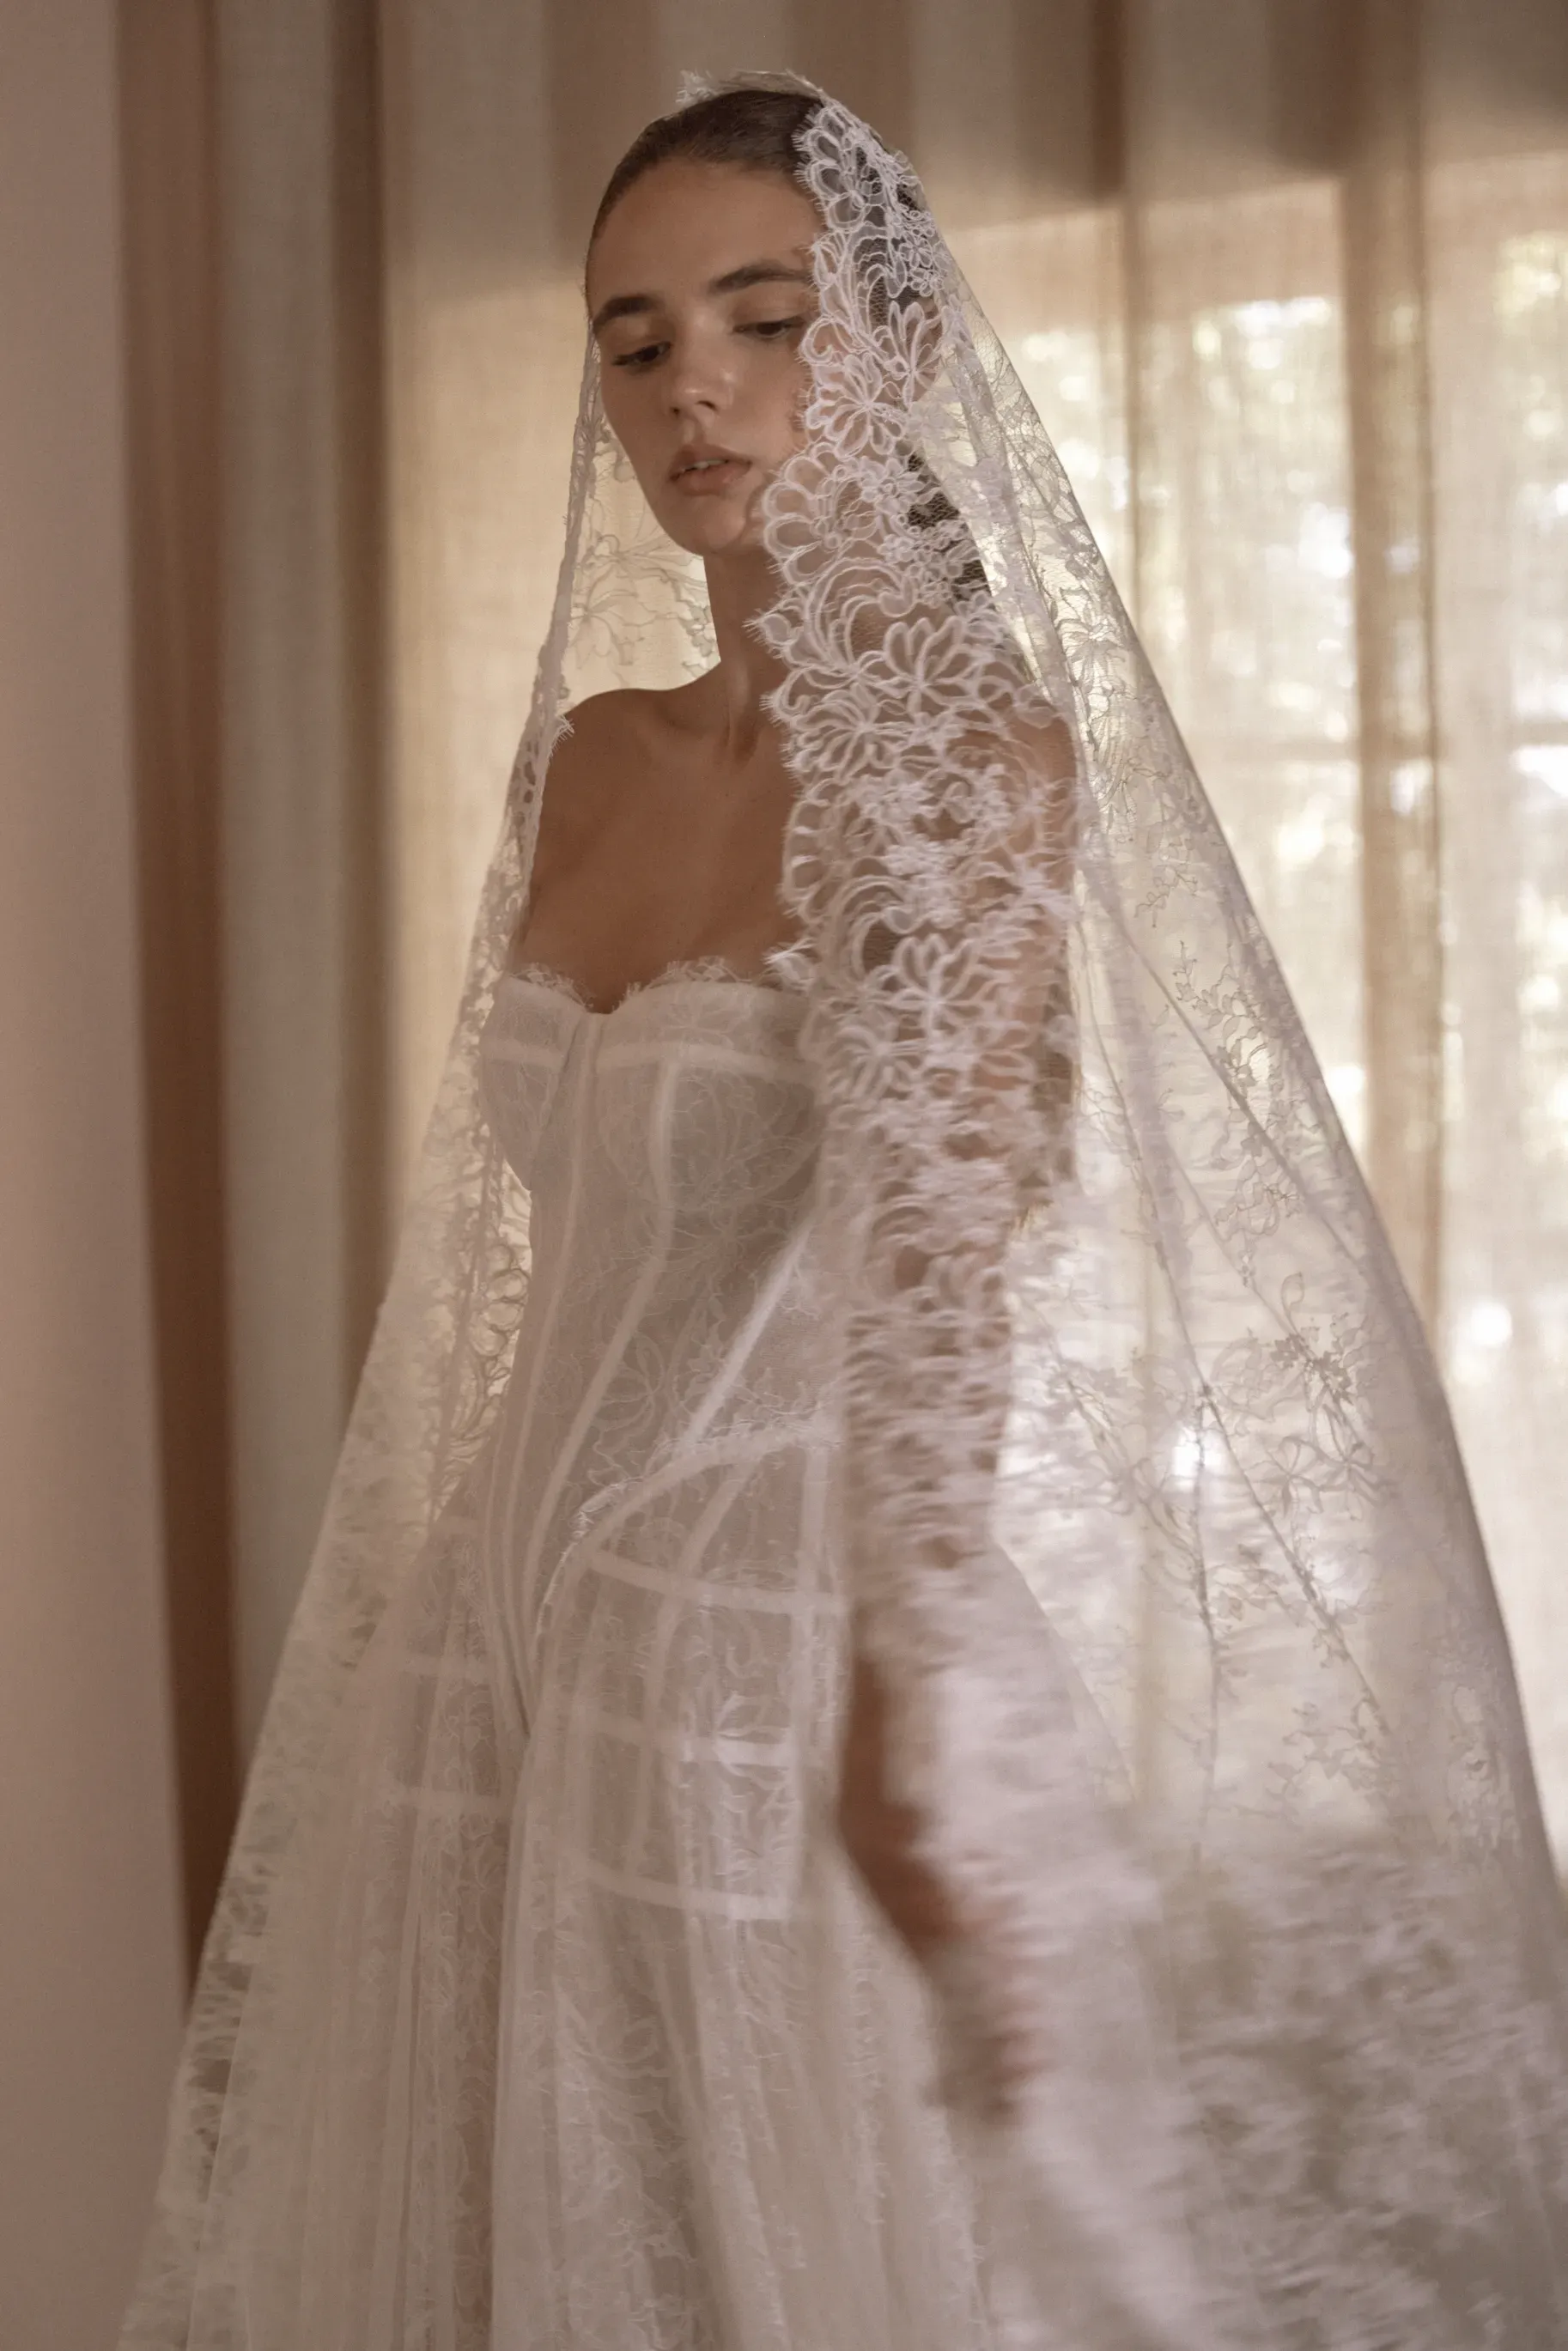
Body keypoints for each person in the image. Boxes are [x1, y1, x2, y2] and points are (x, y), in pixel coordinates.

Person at [123, 75, 1568, 2351]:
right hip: (481, 1665)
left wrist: (908, 1724)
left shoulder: (967, 761)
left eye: (763, 318)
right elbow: (535, 1267)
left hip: (753, 1660)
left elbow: (940, 1266)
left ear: (895, 346)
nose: (689, 385)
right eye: (632, 341)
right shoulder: (594, 758)